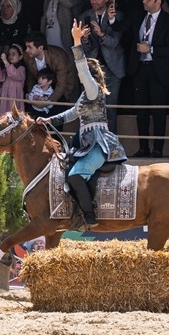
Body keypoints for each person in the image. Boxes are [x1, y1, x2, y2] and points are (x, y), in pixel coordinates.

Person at [45, 21, 129, 228]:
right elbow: (73, 113)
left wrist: (76, 42)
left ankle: (89, 216)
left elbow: (82, 70)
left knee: (75, 175)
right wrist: (50, 120)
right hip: (84, 145)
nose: (79, 77)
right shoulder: (85, 95)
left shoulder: (93, 89)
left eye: (82, 74)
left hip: (98, 144)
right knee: (67, 172)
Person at [128, 0, 169, 158]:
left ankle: (158, 148)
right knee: (141, 111)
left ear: (158, 2)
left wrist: (150, 49)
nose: (144, 0)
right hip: (140, 68)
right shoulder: (138, 16)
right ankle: (143, 147)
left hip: (158, 70)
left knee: (158, 111)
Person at [76, 0, 126, 132]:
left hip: (113, 68)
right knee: (89, 108)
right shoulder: (84, 16)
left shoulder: (116, 15)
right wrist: (84, 39)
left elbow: (115, 42)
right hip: (92, 68)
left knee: (110, 109)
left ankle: (110, 146)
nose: (94, 1)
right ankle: (89, 144)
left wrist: (101, 34)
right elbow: (84, 48)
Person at [0, 44, 26, 122]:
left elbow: (14, 74)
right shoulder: (7, 68)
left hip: (15, 97)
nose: (11, 56)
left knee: (14, 117)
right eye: (9, 54)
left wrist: (6, 62)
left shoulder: (21, 69)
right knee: (3, 117)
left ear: (20, 57)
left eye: (14, 54)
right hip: (5, 96)